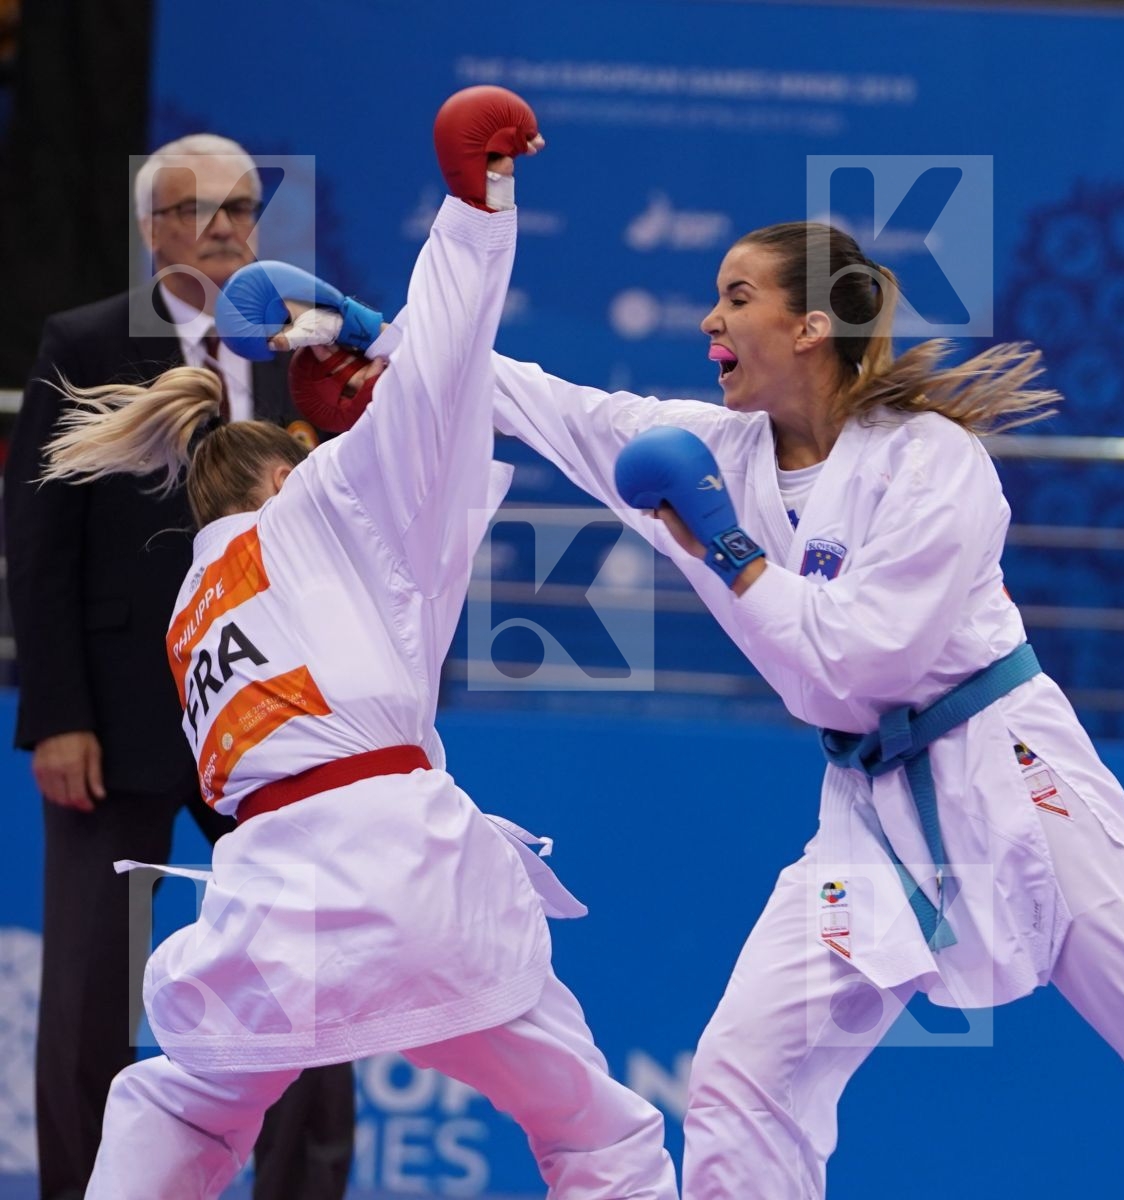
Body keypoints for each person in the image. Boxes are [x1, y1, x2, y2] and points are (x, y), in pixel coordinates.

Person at [472, 222, 1124, 1198]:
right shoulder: (715, 456)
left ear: (810, 327)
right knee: (747, 1070)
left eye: (738, 296)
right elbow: (551, 407)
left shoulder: (932, 463)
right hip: (867, 812)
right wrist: (378, 342)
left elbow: (858, 665)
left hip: (1008, 776)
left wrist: (730, 552)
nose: (710, 317)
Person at [35, 87, 677, 1200]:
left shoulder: (198, 590)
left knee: (179, 1106)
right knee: (601, 1136)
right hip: (410, 879)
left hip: (269, 902)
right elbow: (438, 368)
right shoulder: (328, 503)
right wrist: (479, 210)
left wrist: (360, 425)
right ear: (289, 469)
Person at [2, 132, 349, 1200]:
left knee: (314, 984)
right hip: (115, 718)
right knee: (94, 999)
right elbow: (39, 540)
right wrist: (56, 711)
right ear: (155, 228)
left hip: (274, 721)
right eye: (203, 210)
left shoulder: (305, 351)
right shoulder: (89, 340)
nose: (230, 229)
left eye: (244, 208)